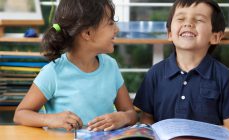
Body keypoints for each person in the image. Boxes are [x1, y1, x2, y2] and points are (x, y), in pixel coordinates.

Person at [14, 0, 137, 131]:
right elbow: (20, 115)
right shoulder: (53, 72)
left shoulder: (111, 66)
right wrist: (49, 119)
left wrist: (124, 117)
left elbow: (131, 114)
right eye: (111, 23)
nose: (116, 29)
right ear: (87, 33)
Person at [133, 0, 229, 126]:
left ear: (215, 37)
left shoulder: (224, 77)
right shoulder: (154, 74)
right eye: (181, 18)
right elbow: (147, 119)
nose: (188, 23)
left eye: (199, 20)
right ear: (170, 33)